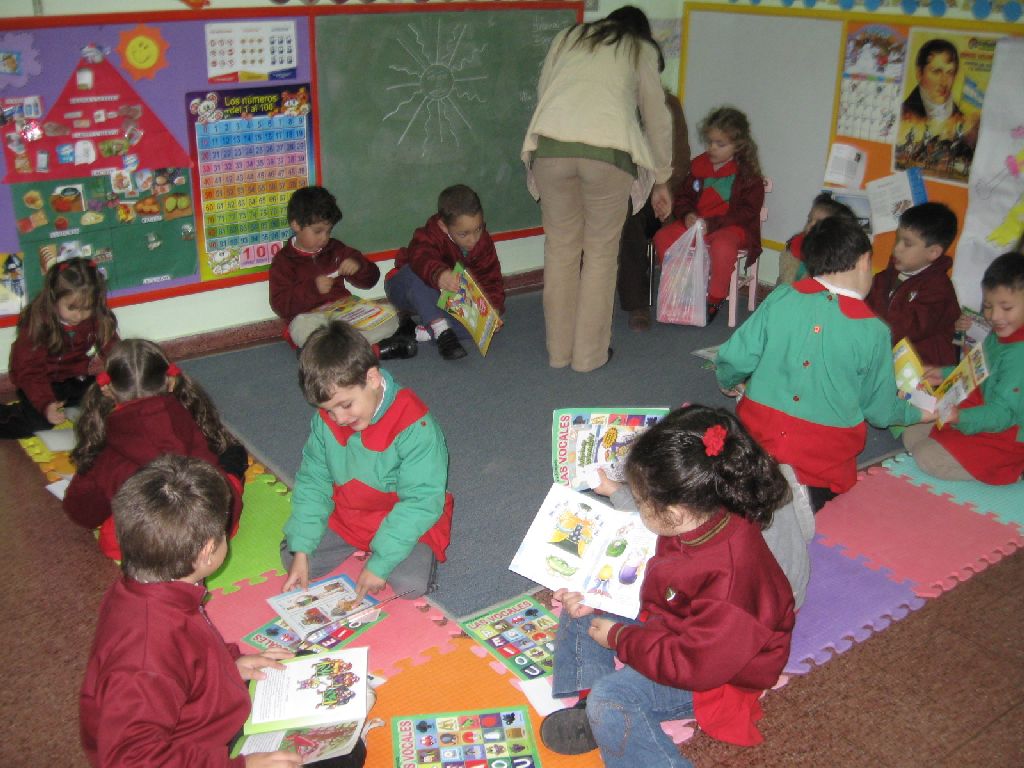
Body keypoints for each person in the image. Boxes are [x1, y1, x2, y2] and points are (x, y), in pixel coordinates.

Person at [540, 406, 795, 765]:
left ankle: (600, 707)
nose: (638, 505)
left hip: (717, 677)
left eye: (641, 501)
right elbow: (668, 586)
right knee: (584, 604)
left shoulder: (731, 584)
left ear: (674, 513)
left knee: (612, 700)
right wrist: (601, 596)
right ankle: (586, 704)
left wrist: (620, 638)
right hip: (677, 622)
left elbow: (696, 665)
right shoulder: (704, 514)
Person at [79, 455, 312, 768]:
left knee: (302, 667)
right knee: (339, 755)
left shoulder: (150, 588)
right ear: (207, 552)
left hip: (199, 714)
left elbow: (189, 653)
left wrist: (230, 666)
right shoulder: (146, 656)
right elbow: (130, 760)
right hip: (192, 752)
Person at [716, 216, 932, 511]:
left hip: (756, 443)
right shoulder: (874, 331)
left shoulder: (781, 296)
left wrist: (728, 380)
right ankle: (796, 499)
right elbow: (880, 409)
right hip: (822, 461)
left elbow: (734, 357)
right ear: (864, 261)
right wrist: (918, 413)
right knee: (816, 495)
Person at [522, 6, 673, 372]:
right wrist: (662, 178)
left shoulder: (568, 37)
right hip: (608, 154)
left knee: (560, 251)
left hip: (551, 150)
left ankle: (559, 353)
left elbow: (545, 93)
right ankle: (588, 357)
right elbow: (657, 118)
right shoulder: (639, 48)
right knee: (600, 256)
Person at [280, 320, 453, 602]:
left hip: (402, 516)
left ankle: (388, 552)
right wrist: (301, 549)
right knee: (293, 557)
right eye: (329, 410)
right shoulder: (327, 421)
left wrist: (380, 562)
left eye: (346, 405)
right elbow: (313, 481)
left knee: (410, 585)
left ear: (372, 379)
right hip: (350, 513)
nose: (339, 419)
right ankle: (334, 546)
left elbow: (420, 501)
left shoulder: (415, 425)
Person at [63, 338, 246, 561]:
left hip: (152, 545)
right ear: (171, 382)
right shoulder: (185, 415)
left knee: (124, 528)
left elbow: (81, 511)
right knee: (231, 460)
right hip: (210, 532)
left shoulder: (102, 442)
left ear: (107, 389)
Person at [902, 252, 1024, 484]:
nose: (995, 316)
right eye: (988, 306)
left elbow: (1003, 414)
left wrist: (961, 417)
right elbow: (977, 369)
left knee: (926, 456)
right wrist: (943, 373)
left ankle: (1011, 470)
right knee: (912, 433)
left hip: (1004, 434)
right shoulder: (1002, 333)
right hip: (978, 412)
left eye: (1007, 308)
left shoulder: (1019, 356)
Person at [269, 185, 412, 358]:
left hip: (344, 313)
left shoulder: (336, 249)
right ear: (296, 225)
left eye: (328, 231)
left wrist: (358, 267)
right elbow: (280, 305)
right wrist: (313, 288)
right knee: (302, 328)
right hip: (312, 318)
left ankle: (327, 353)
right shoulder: (284, 261)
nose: (324, 238)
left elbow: (371, 279)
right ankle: (373, 351)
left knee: (388, 315)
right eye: (317, 231)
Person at [653, 106, 765, 323]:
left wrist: (712, 224)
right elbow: (683, 198)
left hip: (730, 227)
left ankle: (715, 297)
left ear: (738, 145)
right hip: (697, 224)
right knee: (663, 237)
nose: (712, 148)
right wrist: (687, 214)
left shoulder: (748, 175)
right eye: (710, 142)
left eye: (720, 144)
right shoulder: (698, 166)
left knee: (723, 247)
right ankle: (680, 285)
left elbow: (747, 212)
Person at [384, 184, 505, 361]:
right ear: (443, 226)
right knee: (415, 272)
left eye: (478, 229)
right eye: (464, 234)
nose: (473, 239)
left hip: (442, 302)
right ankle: (441, 331)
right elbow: (421, 257)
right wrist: (439, 274)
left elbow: (491, 280)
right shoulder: (429, 234)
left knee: (482, 330)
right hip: (403, 287)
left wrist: (492, 312)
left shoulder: (483, 244)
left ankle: (428, 328)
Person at [1, 257, 118, 439]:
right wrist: (46, 404)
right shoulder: (38, 324)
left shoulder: (96, 318)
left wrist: (117, 383)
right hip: (40, 383)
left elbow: (115, 352)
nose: (80, 315)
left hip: (75, 379)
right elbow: (28, 371)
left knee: (110, 403)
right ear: (54, 298)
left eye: (87, 308)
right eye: (72, 308)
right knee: (36, 425)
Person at [617, 89, 690, 332]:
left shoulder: (668, 105)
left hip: (658, 198)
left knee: (632, 216)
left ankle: (637, 304)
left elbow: (680, 162)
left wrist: (659, 187)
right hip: (617, 192)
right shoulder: (617, 100)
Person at [866, 202, 960, 366]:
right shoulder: (884, 278)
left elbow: (904, 328)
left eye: (907, 244)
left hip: (922, 371)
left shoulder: (938, 289)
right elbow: (864, 309)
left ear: (933, 252)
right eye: (898, 239)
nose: (897, 249)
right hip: (886, 360)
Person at [901, 38, 977, 148]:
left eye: (950, 72)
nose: (944, 82)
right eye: (936, 72)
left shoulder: (962, 122)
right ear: (919, 73)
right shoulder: (903, 114)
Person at [777, 193, 857, 286]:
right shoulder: (794, 246)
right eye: (809, 220)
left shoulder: (831, 263)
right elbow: (784, 280)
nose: (810, 226)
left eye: (819, 224)